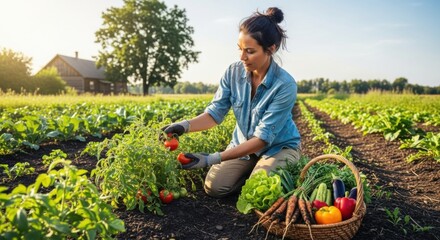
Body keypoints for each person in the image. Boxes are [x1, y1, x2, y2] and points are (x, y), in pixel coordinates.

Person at [161, 7, 301, 198]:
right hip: (243, 146)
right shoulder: (233, 72)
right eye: (240, 49)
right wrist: (183, 126)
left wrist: (212, 158)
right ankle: (254, 169)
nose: (242, 57)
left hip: (277, 147)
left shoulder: (285, 85)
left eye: (250, 51)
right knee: (214, 187)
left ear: (271, 49)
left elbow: (262, 139)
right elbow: (215, 113)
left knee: (258, 191)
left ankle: (285, 165)